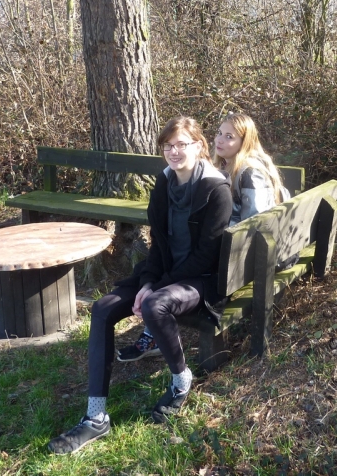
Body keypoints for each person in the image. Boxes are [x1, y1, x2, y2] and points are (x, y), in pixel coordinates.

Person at [48, 117, 232, 455]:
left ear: (198, 146)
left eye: (181, 144)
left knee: (153, 304)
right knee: (103, 308)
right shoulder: (164, 182)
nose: (174, 152)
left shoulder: (216, 190)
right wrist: (148, 280)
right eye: (168, 146)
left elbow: (206, 257)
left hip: (201, 280)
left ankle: (181, 380)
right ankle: (96, 416)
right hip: (165, 272)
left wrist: (155, 287)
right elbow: (158, 241)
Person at [116, 112, 287, 362]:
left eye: (229, 136)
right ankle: (153, 331)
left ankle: (153, 333)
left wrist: (212, 227)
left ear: (245, 141)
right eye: (219, 133)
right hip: (228, 253)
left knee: (182, 260)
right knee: (170, 255)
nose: (220, 140)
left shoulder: (250, 172)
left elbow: (255, 225)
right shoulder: (225, 167)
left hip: (246, 261)